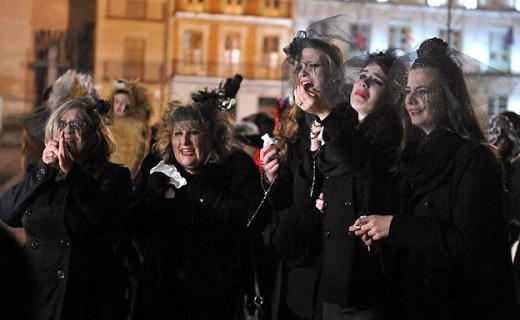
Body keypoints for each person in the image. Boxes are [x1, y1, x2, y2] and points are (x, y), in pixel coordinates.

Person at [350, 38, 520, 319]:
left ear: (448, 96)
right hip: (417, 295)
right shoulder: (413, 153)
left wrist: (395, 227)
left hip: (458, 302)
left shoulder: (472, 158)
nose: (411, 100)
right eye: (407, 91)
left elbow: (470, 242)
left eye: (423, 91)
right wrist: (385, 235)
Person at [125, 84, 270, 320]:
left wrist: (194, 187)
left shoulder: (234, 167)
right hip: (162, 293)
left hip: (216, 292)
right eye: (178, 134)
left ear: (212, 137)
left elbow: (253, 219)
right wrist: (152, 196)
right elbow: (132, 226)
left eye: (194, 133)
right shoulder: (158, 168)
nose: (185, 142)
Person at [289, 48, 402, 320]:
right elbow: (303, 198)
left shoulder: (391, 135)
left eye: (376, 81)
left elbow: (365, 162)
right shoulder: (337, 131)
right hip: (333, 275)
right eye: (362, 76)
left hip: (366, 278)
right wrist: (316, 145)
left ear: (391, 97)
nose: (363, 83)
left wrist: (327, 114)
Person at [0, 97, 133, 320]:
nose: (67, 131)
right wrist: (43, 168)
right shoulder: (42, 174)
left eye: (77, 125)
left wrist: (72, 170)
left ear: (93, 138)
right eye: (61, 124)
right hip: (39, 289)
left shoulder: (113, 176)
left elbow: (102, 216)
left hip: (82, 294)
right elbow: (8, 213)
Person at [260, 28, 346, 320]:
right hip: (296, 256)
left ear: (333, 72)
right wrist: (271, 178)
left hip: (329, 254)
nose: (304, 72)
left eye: (314, 65)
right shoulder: (293, 120)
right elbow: (286, 198)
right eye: (299, 67)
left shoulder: (344, 118)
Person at [107, 79, 153, 183]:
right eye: (117, 101)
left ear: (132, 105)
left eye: (124, 102)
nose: (119, 105)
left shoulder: (138, 126)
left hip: (127, 178)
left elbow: (140, 154)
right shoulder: (107, 124)